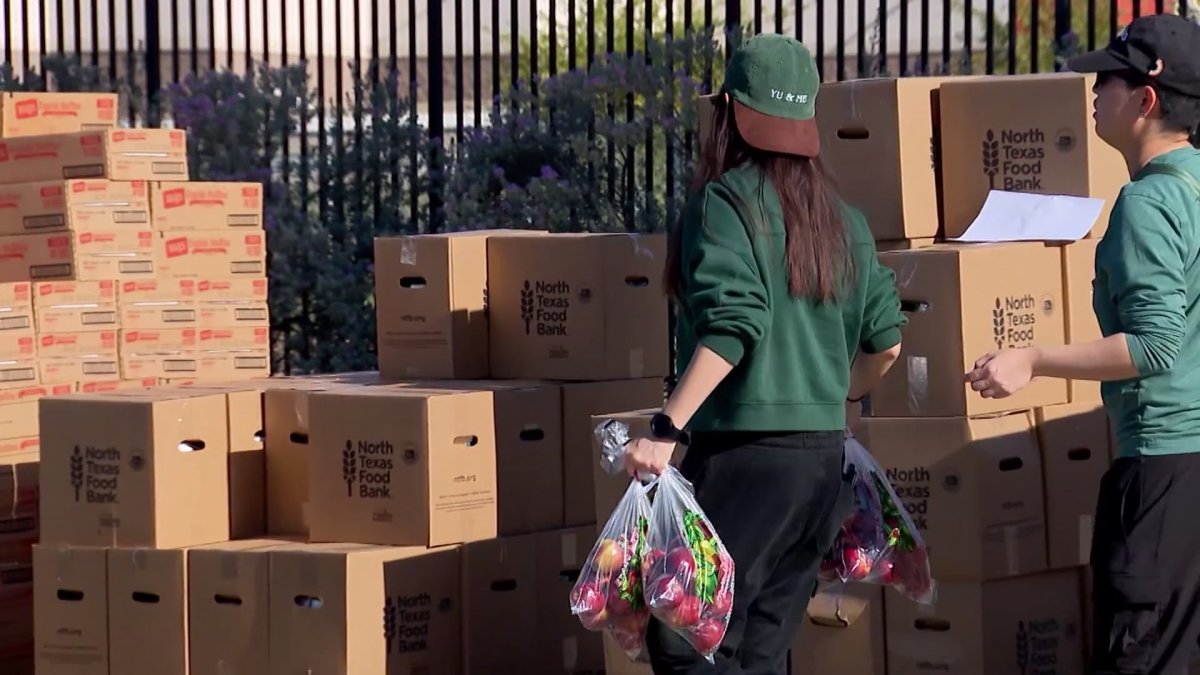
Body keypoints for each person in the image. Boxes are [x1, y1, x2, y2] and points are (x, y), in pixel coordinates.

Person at [622, 33, 907, 674]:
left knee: (688, 636)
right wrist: (831, 396)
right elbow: (887, 344)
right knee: (762, 647)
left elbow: (732, 325)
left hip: (745, 460)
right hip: (821, 464)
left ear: (728, 112)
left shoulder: (724, 203)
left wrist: (666, 428)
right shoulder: (843, 219)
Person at [964, 13, 1200, 675]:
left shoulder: (1149, 204)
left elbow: (1155, 346)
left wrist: (1031, 357)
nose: (1094, 91)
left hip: (1162, 472)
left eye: (1110, 79)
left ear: (1147, 100)